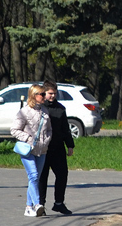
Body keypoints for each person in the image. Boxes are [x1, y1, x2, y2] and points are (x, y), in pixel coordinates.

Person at [11, 83, 52, 217]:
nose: (45, 96)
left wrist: (47, 140)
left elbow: (49, 129)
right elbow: (14, 130)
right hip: (28, 149)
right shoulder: (24, 112)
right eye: (42, 94)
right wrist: (28, 138)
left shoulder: (45, 111)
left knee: (35, 178)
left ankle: (28, 207)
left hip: (42, 150)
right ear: (34, 96)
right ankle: (37, 204)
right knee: (33, 176)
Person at [38, 80, 75, 215]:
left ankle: (59, 203)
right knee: (42, 177)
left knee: (62, 174)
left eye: (54, 93)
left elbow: (65, 129)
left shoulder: (60, 108)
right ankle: (40, 205)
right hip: (43, 148)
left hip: (58, 147)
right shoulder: (40, 108)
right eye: (50, 93)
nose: (52, 96)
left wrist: (70, 145)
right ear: (44, 93)